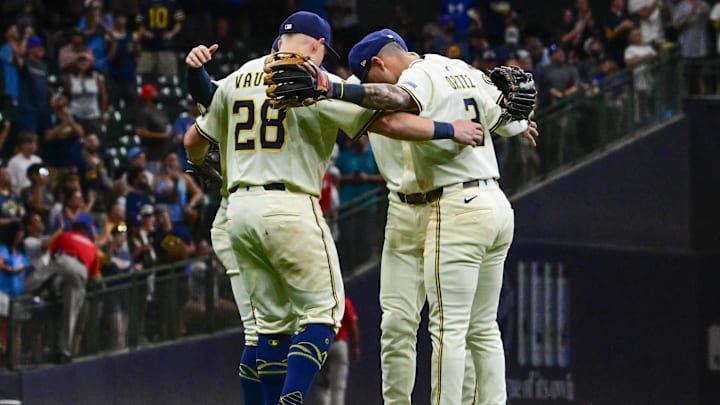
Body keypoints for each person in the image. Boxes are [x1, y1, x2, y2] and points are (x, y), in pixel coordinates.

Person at [184, 11, 483, 405]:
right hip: (289, 204)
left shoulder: (239, 76)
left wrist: (213, 167)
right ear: (318, 45)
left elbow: (194, 139)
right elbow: (389, 123)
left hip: (238, 210)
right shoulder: (315, 82)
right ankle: (292, 399)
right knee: (324, 314)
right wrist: (451, 128)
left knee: (268, 328)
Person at [292, 29, 537, 404]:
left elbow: (393, 111)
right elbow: (506, 110)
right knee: (407, 324)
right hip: (418, 207)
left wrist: (331, 85)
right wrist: (518, 124)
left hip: (450, 205)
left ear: (379, 64)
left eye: (369, 78)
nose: (371, 87)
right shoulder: (457, 69)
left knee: (453, 328)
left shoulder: (414, 79)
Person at [25, 222, 99, 363]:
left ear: (74, 230)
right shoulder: (92, 246)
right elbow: (94, 276)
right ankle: (64, 352)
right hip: (81, 270)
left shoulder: (66, 235)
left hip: (64, 260)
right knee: (70, 313)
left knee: (39, 277)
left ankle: (27, 291)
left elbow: (52, 254)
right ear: (85, 233)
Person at [307, 296, 360, 405]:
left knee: (321, 385)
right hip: (339, 344)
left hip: (321, 345)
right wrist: (355, 346)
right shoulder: (343, 301)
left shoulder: (319, 301)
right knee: (338, 387)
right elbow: (353, 325)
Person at [136, 0, 184, 77]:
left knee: (168, 74)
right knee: (144, 73)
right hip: (148, 45)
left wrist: (171, 34)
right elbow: (140, 24)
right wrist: (146, 33)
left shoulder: (172, 4)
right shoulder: (145, 4)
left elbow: (178, 24)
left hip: (166, 45)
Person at [63, 52, 107, 134]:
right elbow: (67, 95)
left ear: (90, 63)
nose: (83, 63)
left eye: (85, 61)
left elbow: (103, 95)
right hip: (76, 115)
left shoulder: (96, 76)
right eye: (80, 61)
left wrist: (102, 112)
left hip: (93, 115)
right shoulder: (70, 78)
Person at [134, 84, 172, 173]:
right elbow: (140, 132)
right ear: (148, 96)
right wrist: (160, 136)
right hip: (152, 155)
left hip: (164, 153)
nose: (157, 95)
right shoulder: (145, 112)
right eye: (154, 93)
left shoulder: (160, 111)